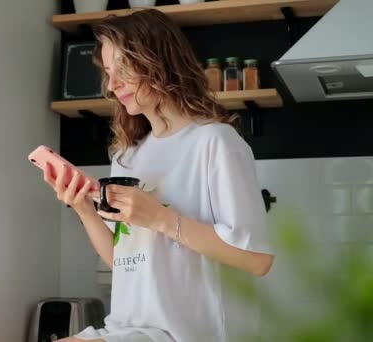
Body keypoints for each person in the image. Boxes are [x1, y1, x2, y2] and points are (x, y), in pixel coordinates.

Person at [41, 9, 274, 342]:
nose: (112, 84)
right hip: (129, 328)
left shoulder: (215, 142)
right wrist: (83, 207)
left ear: (160, 62)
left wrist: (161, 219)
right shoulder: (127, 157)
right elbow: (125, 263)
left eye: (122, 68)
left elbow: (257, 260)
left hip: (190, 334)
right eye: (108, 72)